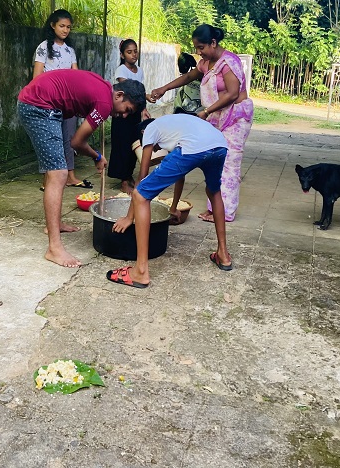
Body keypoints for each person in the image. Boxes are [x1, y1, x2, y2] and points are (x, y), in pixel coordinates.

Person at [18, 69, 146, 268]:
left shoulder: (105, 90)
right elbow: (77, 142)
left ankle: (55, 225)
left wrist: (96, 155)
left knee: (57, 169)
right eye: (126, 109)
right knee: (59, 173)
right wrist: (97, 156)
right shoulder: (104, 104)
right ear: (119, 95)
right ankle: (54, 248)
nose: (122, 115)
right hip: (38, 106)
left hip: (41, 103)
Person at [108, 114, 232, 289]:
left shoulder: (150, 129)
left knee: (141, 195)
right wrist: (173, 208)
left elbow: (142, 180)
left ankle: (140, 271)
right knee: (214, 192)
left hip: (194, 147)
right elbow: (179, 174)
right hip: (219, 145)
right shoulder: (174, 128)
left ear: (143, 133)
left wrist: (129, 218)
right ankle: (223, 255)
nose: (154, 148)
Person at [148, 24, 253, 222]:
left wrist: (206, 111)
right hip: (217, 117)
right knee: (214, 161)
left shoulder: (229, 63)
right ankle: (213, 208)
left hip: (235, 118)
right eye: (196, 48)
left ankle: (225, 212)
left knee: (228, 163)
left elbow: (232, 93)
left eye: (202, 47)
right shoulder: (206, 62)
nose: (198, 52)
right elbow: (189, 76)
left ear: (213, 43)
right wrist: (164, 88)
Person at [32, 9, 92, 189]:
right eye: (62, 26)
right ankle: (47, 180)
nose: (65, 30)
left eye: (68, 27)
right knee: (50, 138)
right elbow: (37, 77)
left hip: (69, 101)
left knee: (69, 137)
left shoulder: (70, 51)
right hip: (49, 101)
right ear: (52, 26)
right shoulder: (43, 47)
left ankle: (71, 176)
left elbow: (76, 75)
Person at [107, 39, 150, 193]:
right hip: (122, 111)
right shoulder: (121, 70)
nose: (133, 55)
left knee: (134, 144)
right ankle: (123, 179)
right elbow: (131, 92)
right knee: (122, 145)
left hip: (134, 112)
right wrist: (144, 99)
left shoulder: (139, 70)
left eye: (135, 51)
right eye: (129, 52)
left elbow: (138, 93)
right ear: (123, 54)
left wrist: (143, 108)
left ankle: (129, 174)